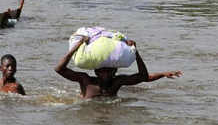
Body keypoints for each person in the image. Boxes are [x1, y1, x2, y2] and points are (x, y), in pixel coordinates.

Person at [54, 36, 182, 99]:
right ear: (96, 72)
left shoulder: (117, 82)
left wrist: (135, 51)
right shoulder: (85, 80)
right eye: (102, 71)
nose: (105, 74)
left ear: (115, 70)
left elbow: (143, 77)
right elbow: (59, 69)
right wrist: (76, 47)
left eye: (108, 71)